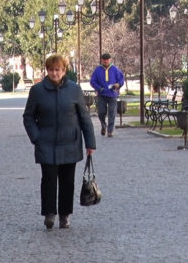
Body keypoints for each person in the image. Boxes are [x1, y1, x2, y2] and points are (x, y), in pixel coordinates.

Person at [23, 54, 96, 230]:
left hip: (70, 142)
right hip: (46, 142)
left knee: (67, 181)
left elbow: (84, 117)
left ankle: (65, 214)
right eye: (51, 70)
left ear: (64, 70)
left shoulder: (74, 90)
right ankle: (49, 213)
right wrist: (36, 137)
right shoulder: (37, 91)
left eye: (58, 70)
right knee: (48, 179)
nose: (54, 73)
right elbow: (28, 117)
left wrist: (90, 143)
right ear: (47, 71)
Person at [90, 53, 125, 137]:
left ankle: (110, 131)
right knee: (101, 112)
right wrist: (99, 88)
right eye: (104, 60)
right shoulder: (98, 70)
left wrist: (118, 84)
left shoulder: (115, 69)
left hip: (112, 94)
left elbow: (121, 79)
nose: (106, 61)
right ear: (102, 60)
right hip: (101, 95)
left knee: (112, 113)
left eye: (107, 60)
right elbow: (92, 81)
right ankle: (103, 125)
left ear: (110, 60)